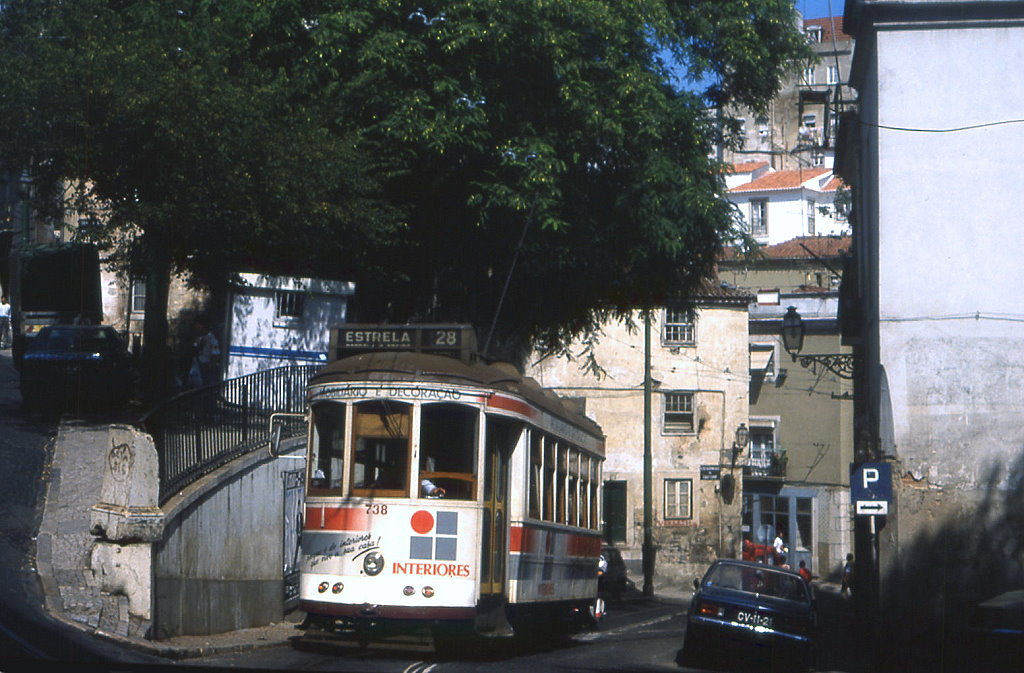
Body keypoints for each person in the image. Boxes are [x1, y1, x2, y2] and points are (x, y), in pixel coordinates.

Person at [191, 319, 221, 387]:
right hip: (198, 363)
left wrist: (210, 365)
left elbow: (216, 353)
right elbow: (195, 348)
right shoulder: (199, 338)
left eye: (198, 325)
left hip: (206, 365)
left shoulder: (211, 338)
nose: (197, 328)